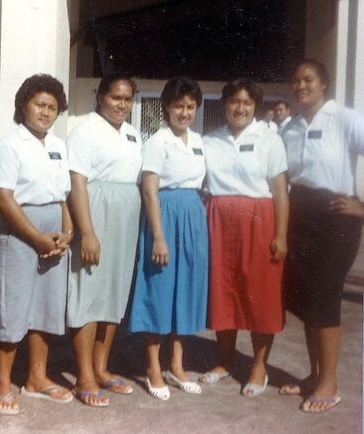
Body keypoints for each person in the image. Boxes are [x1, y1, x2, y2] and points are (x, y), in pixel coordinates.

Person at [280, 59, 364, 413]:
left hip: (335, 218)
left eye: (308, 79)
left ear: (324, 84)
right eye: (296, 80)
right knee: (306, 299)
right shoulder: (290, 126)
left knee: (325, 296)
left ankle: (329, 383)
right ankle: (313, 376)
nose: (301, 86)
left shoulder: (346, 119)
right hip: (299, 215)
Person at [0, 74, 73, 415]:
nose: (45, 112)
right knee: (13, 306)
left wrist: (67, 230)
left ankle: (37, 379)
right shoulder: (10, 145)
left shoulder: (57, 145)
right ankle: (4, 382)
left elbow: (64, 195)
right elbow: (3, 198)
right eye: (40, 104)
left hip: (54, 228)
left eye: (52, 107)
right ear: (24, 105)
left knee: (45, 306)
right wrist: (36, 237)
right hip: (20, 230)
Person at [201, 79, 289, 397]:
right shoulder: (210, 140)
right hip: (220, 221)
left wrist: (280, 234)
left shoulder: (269, 140)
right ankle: (224, 361)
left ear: (255, 107)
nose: (240, 108)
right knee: (223, 290)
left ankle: (258, 366)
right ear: (225, 105)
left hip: (259, 220)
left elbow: (280, 191)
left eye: (247, 103)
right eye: (235, 102)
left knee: (259, 294)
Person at [129, 76, 207, 401]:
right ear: (166, 107)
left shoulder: (199, 141)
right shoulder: (157, 142)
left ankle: (177, 365)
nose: (185, 112)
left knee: (187, 291)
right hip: (165, 214)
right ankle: (152, 367)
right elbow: (149, 189)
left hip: (193, 214)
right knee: (159, 289)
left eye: (190, 106)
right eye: (179, 106)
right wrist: (158, 236)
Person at [67, 74, 142, 407]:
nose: (122, 105)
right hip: (97, 212)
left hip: (126, 217)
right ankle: (83, 375)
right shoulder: (85, 130)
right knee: (89, 293)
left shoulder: (133, 134)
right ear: (101, 97)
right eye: (116, 98)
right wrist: (87, 232)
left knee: (114, 291)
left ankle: (101, 368)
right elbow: (77, 183)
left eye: (127, 100)